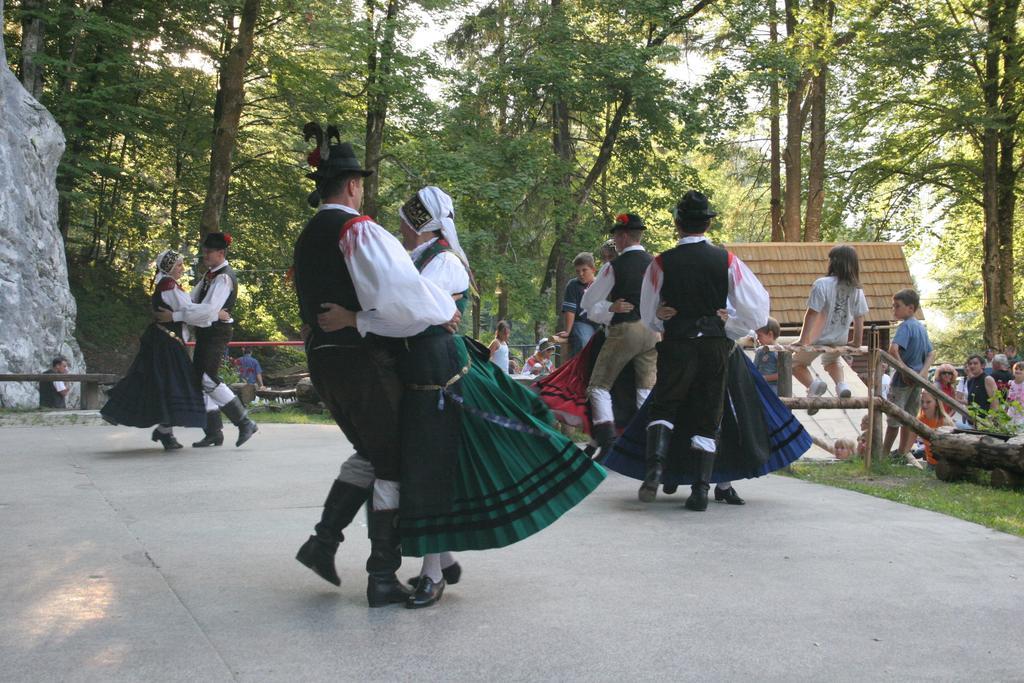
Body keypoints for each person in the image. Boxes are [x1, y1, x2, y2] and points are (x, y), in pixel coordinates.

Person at [321, 186, 606, 609]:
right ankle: (441, 557)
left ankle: (433, 573)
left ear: (423, 222)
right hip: (416, 372)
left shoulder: (446, 262)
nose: (399, 225)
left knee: (435, 470)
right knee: (419, 468)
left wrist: (355, 319)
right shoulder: (413, 257)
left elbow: (410, 315)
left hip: (439, 377)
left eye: (405, 218)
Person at [292, 137, 458, 607]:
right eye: (360, 185)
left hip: (324, 363)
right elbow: (403, 302)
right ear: (350, 186)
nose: (362, 194)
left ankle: (323, 543)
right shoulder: (358, 231)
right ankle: (381, 574)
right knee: (392, 461)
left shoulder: (308, 237)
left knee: (371, 449)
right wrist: (441, 307)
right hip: (363, 364)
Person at [633, 190, 771, 509]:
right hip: (713, 345)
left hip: (678, 342)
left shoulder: (660, 263)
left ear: (677, 224)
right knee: (709, 414)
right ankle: (700, 490)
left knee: (665, 406)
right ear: (706, 226)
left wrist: (661, 319)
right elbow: (758, 310)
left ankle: (655, 467)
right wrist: (729, 323)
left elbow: (648, 313)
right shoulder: (726, 260)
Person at [101, 251, 221, 448]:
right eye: (180, 266)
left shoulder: (170, 285)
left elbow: (187, 308)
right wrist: (214, 313)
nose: (182, 269)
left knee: (166, 384)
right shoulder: (168, 286)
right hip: (165, 343)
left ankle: (166, 432)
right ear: (170, 268)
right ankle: (166, 432)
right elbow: (189, 312)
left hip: (166, 340)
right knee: (174, 383)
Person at [155, 233, 258, 448]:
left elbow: (207, 311)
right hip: (208, 331)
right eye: (204, 252)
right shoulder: (210, 276)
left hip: (217, 332)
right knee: (198, 380)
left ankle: (244, 422)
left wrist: (175, 316)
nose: (205, 256)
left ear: (221, 253)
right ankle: (213, 432)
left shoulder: (224, 277)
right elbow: (192, 303)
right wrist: (200, 312)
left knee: (207, 379)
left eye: (209, 252)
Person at [579, 213, 659, 456]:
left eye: (616, 235)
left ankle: (607, 438)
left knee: (598, 386)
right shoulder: (656, 264)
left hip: (625, 330)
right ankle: (647, 445)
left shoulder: (614, 267)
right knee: (644, 389)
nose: (615, 239)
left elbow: (588, 301)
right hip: (653, 333)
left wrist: (608, 311)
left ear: (624, 236)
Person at [793, 245, 869, 415]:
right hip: (840, 338)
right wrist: (856, 342)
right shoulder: (856, 289)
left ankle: (813, 386)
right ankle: (841, 385)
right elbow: (859, 317)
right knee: (832, 361)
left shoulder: (822, 284)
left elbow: (811, 314)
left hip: (818, 337)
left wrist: (803, 340)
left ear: (833, 262)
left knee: (795, 364)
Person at [881, 289, 934, 467]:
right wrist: (922, 374)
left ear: (910, 308)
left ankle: (883, 456)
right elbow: (931, 353)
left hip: (901, 382)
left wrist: (903, 370)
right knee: (910, 419)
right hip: (916, 381)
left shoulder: (905, 326)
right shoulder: (921, 327)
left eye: (897, 306)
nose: (893, 310)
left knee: (894, 419)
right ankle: (903, 453)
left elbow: (893, 350)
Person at [558, 252, 599, 357]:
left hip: (600, 323)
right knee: (584, 341)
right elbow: (570, 311)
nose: (581, 274)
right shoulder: (573, 285)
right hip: (582, 322)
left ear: (593, 269)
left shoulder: (600, 284)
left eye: (584, 270)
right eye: (578, 271)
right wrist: (567, 331)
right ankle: (579, 369)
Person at [917, 390, 953, 467]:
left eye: (928, 402)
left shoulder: (945, 422)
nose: (924, 405)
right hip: (930, 462)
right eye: (922, 401)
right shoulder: (920, 419)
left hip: (945, 465)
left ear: (936, 403)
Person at [753, 317, 782, 393]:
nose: (757, 339)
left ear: (770, 334)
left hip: (773, 388)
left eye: (759, 336)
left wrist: (765, 378)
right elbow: (754, 368)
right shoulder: (759, 351)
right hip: (759, 386)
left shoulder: (779, 352)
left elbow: (784, 374)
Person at [1005, 361, 1024, 429]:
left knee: (1019, 432)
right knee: (1008, 429)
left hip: (1021, 413)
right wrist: (1005, 410)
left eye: (1021, 369)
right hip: (1011, 412)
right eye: (1016, 369)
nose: (1018, 371)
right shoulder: (1010, 383)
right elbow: (1008, 398)